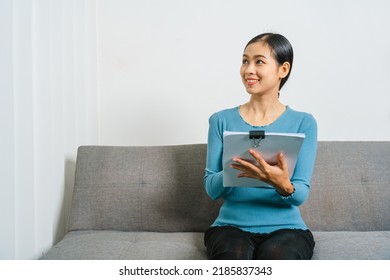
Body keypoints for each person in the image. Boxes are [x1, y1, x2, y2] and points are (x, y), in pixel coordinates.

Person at [203, 33, 317, 260]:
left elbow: (300, 193)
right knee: (234, 257)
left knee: (277, 257)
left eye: (259, 62)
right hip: (230, 227)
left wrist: (282, 184)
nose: (248, 70)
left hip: (287, 228)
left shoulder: (304, 123)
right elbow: (211, 189)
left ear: (283, 70)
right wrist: (234, 169)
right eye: (245, 61)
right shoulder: (220, 120)